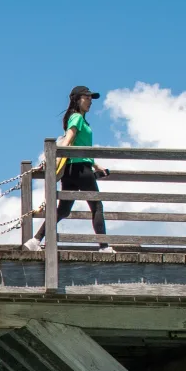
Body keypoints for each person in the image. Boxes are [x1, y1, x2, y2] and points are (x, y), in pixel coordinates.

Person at [26, 86, 111, 252]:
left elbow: (80, 146)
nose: (90, 101)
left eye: (91, 98)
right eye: (87, 98)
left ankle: (35, 240)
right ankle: (104, 247)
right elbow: (68, 140)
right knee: (97, 207)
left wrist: (96, 165)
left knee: (63, 210)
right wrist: (53, 157)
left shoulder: (79, 119)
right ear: (77, 99)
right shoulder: (77, 118)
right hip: (80, 169)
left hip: (72, 170)